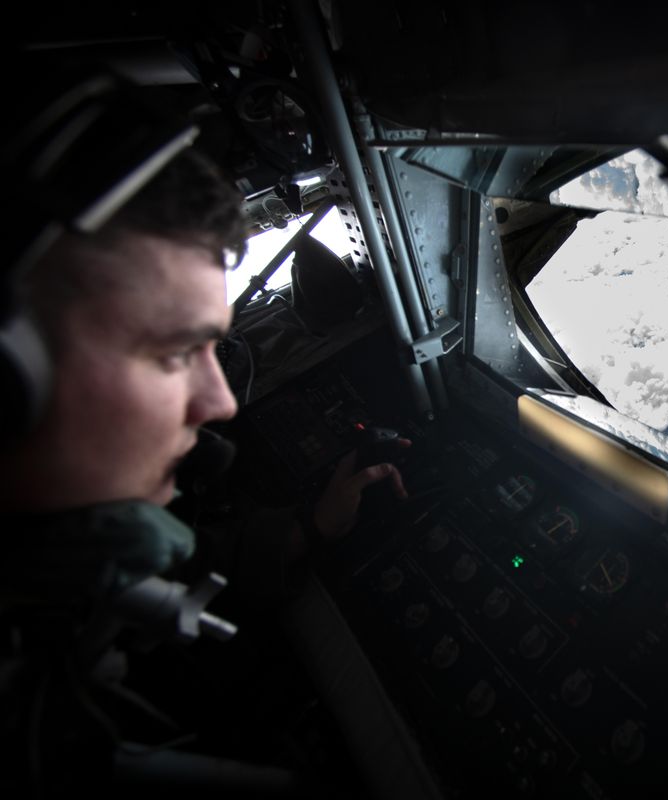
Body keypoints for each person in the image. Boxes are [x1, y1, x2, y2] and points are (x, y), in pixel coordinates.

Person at [0, 70, 404, 797]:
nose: (218, 402)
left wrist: (306, 530)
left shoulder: (43, 566)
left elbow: (156, 568)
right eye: (175, 353)